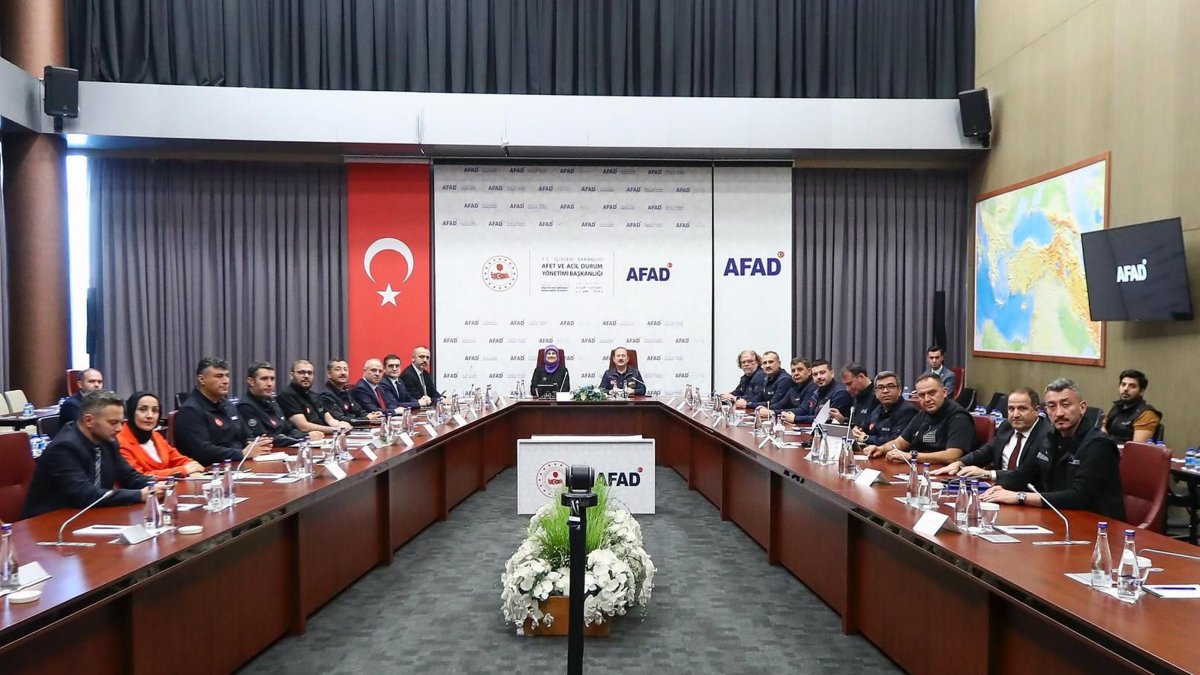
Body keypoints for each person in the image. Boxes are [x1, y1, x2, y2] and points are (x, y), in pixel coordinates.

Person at [983, 379, 1125, 521]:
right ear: (1046, 411)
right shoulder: (1050, 438)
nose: (1059, 413)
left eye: (1066, 405)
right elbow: (1024, 474)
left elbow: (1079, 497)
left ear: (1082, 407)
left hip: (1097, 525)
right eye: (1052, 406)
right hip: (1058, 517)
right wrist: (996, 490)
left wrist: (1019, 496)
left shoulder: (1099, 444)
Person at [22, 391, 158, 519]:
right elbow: (84, 494)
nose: (119, 429)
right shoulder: (64, 448)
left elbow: (129, 476)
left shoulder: (108, 442)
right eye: (113, 423)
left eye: (121, 423)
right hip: (50, 523)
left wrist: (156, 486)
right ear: (88, 421)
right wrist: (139, 495)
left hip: (91, 515)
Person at [933, 387, 1048, 480]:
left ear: (1037, 411)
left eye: (1022, 409)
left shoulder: (1046, 435)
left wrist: (989, 474)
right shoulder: (1006, 426)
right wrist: (960, 463)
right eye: (1011, 409)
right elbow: (986, 451)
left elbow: (1028, 474)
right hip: (998, 489)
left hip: (1025, 493)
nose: (1015, 414)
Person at [176, 357, 269, 466]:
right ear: (201, 379)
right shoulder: (190, 410)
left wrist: (257, 443)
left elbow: (244, 435)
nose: (226, 381)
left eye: (227, 376)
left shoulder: (227, 405)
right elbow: (202, 451)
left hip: (237, 464)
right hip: (209, 470)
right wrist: (241, 453)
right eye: (219, 376)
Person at [868, 372, 973, 465]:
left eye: (932, 393)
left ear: (944, 392)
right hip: (919, 468)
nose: (927, 399)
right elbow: (900, 442)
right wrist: (881, 449)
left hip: (945, 474)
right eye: (922, 395)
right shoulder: (923, 414)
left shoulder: (958, 417)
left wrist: (912, 456)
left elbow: (952, 456)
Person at [117, 391, 206, 479]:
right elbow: (138, 477)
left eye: (155, 410)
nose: (150, 415)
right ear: (131, 412)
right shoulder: (120, 441)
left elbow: (179, 459)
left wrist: (193, 468)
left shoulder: (156, 436)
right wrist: (183, 470)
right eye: (143, 409)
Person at [238, 361, 320, 447]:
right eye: (264, 379)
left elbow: (288, 429)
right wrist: (304, 437)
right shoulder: (245, 406)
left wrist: (305, 435)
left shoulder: (272, 401)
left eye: (272, 379)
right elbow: (264, 439)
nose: (269, 384)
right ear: (251, 381)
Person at [277, 359, 350, 435]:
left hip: (323, 438)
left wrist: (342, 425)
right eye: (301, 372)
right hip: (304, 440)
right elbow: (303, 426)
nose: (306, 376)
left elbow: (330, 420)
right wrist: (335, 430)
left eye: (309, 373)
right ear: (291, 375)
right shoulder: (287, 395)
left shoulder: (314, 396)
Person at [852, 371, 917, 447]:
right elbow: (863, 428)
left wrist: (867, 438)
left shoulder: (908, 411)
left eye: (890, 386)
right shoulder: (877, 410)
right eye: (881, 387)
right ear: (876, 393)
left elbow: (896, 441)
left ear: (899, 390)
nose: (885, 391)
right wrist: (856, 432)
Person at [1102, 369, 1162, 444]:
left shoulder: (1147, 413)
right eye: (1123, 384)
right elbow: (1102, 433)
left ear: (1141, 391)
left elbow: (1136, 449)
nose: (1126, 389)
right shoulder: (1116, 407)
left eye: (1132, 386)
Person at [783, 360, 850, 425]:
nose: (819, 377)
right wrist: (784, 414)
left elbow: (824, 419)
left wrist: (795, 418)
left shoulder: (840, 393)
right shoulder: (817, 390)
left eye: (822, 373)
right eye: (815, 374)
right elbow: (805, 410)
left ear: (832, 374)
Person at [320, 358, 381, 426]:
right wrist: (366, 418)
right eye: (338, 369)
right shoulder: (326, 395)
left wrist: (372, 416)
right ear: (329, 374)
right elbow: (340, 419)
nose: (343, 373)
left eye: (345, 369)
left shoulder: (346, 390)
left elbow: (359, 411)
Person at [355, 358, 420, 413]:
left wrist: (401, 409)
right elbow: (373, 410)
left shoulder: (378, 386)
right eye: (374, 370)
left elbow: (389, 404)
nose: (377, 374)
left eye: (380, 371)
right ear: (364, 371)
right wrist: (395, 411)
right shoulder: (361, 388)